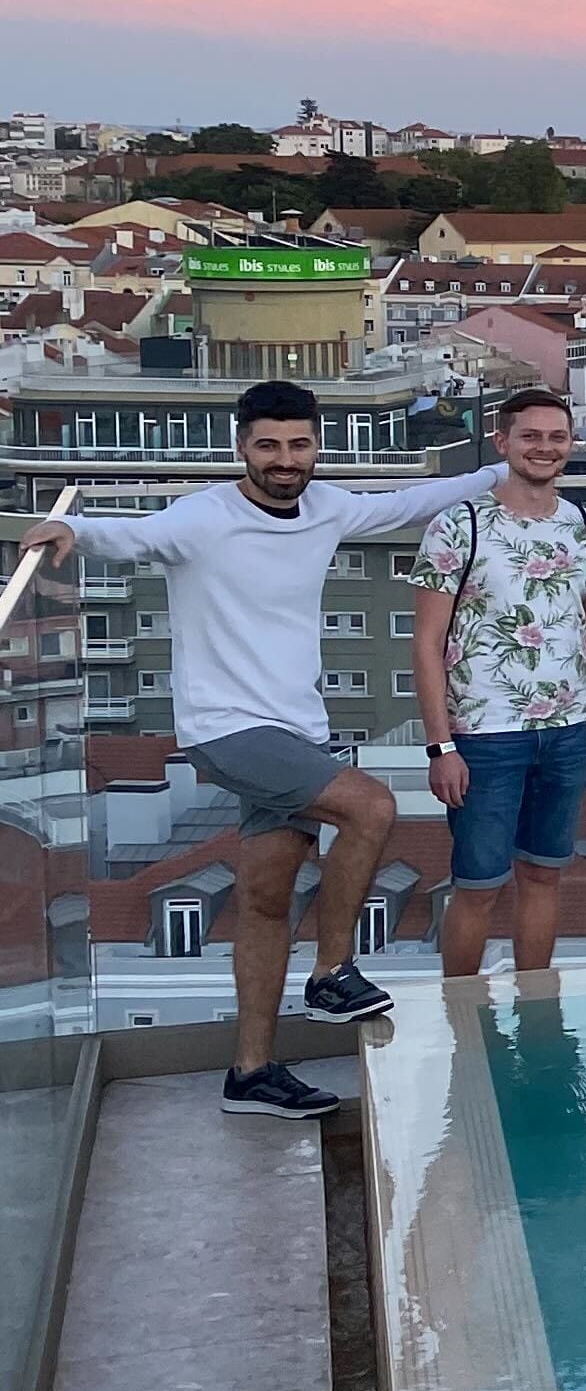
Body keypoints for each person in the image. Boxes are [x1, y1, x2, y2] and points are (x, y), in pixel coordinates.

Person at [18, 379, 497, 1117]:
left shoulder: (328, 506)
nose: (284, 459)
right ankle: (334, 970)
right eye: (268, 445)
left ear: (316, 447)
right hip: (224, 727)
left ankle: (250, 1074)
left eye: (298, 444)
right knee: (368, 806)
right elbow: (130, 534)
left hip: (295, 728)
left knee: (267, 899)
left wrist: (504, 471)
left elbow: (407, 501)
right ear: (242, 447)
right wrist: (71, 533)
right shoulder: (203, 517)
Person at [410, 384, 586, 981]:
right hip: (483, 735)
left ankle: (536, 1007)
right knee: (477, 884)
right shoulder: (458, 525)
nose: (544, 448)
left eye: (557, 437)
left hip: (567, 731)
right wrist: (440, 746)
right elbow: (425, 643)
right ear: (502, 442)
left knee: (544, 874)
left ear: (572, 445)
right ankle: (462, 1013)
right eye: (530, 436)